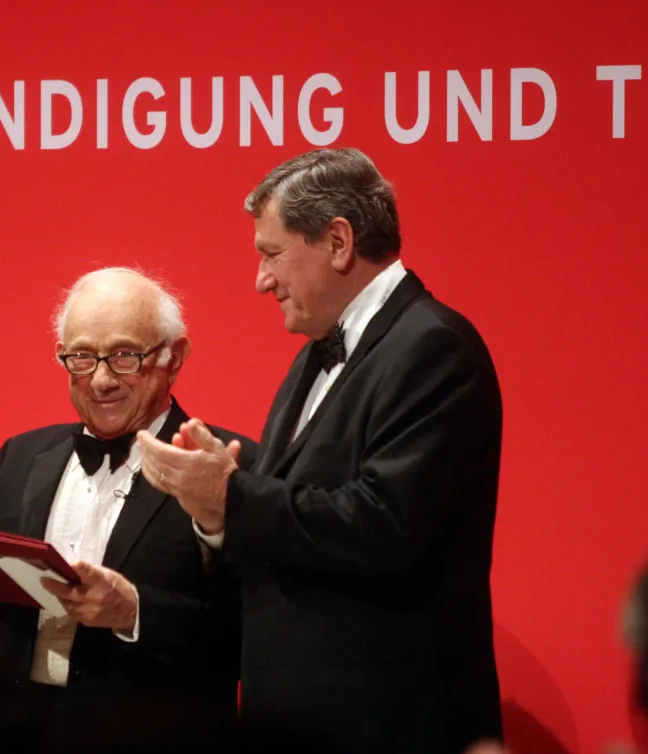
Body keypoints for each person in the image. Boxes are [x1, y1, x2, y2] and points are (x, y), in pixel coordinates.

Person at [137, 148, 504, 753]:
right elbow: (315, 490)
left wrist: (231, 496)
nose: (261, 279)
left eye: (272, 254)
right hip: (308, 722)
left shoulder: (434, 347)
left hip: (386, 724)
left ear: (338, 242)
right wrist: (232, 473)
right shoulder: (315, 352)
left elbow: (385, 522)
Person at [0, 267, 255, 729]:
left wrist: (134, 611)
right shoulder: (24, 455)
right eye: (81, 356)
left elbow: (253, 633)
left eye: (124, 356)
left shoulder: (225, 466)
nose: (101, 381)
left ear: (173, 358)